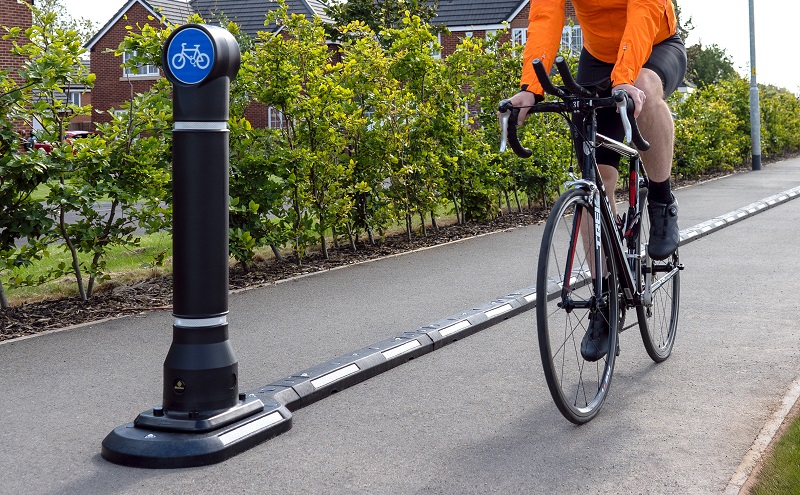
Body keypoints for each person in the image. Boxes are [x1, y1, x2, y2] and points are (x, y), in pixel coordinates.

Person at [507, 0, 687, 361]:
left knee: (644, 87)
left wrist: (623, 80)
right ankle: (605, 300)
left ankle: (662, 199)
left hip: (654, 45)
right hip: (597, 57)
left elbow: (641, 15)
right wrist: (530, 86)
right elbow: (546, 16)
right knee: (594, 181)